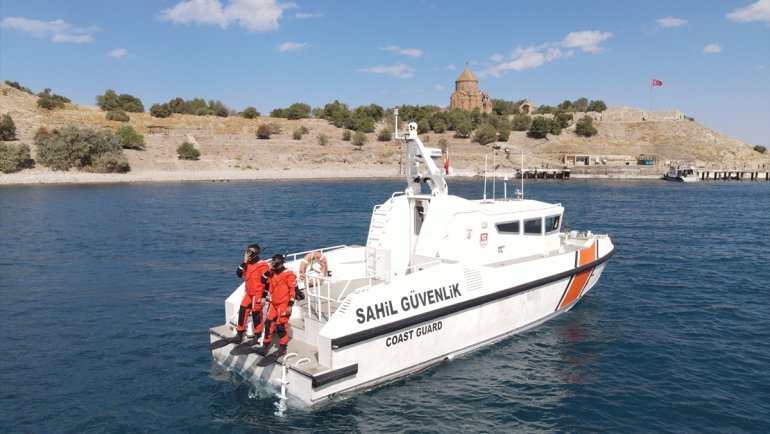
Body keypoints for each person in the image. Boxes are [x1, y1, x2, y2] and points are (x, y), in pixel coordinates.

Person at [259, 254, 297, 356]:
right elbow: (262, 280)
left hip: (284, 304)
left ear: (280, 263)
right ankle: (265, 345)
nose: (274, 265)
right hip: (273, 304)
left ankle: (283, 347)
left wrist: (290, 305)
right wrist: (269, 270)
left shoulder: (288, 274)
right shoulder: (271, 273)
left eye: (276, 263)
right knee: (268, 323)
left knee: (281, 326)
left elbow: (292, 291)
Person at [233, 244, 269, 343]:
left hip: (258, 293)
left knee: (256, 313)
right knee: (243, 310)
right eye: (247, 251)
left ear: (256, 253)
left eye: (250, 252)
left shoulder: (263, 265)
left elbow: (267, 283)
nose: (248, 253)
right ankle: (239, 333)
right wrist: (244, 262)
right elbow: (238, 274)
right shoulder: (247, 264)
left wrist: (263, 297)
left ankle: (257, 335)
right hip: (249, 293)